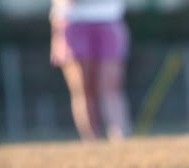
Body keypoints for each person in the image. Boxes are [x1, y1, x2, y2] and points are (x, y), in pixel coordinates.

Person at [50, 0, 131, 141]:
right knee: (83, 89)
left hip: (109, 17)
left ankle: (120, 136)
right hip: (72, 20)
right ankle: (92, 140)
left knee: (111, 86)